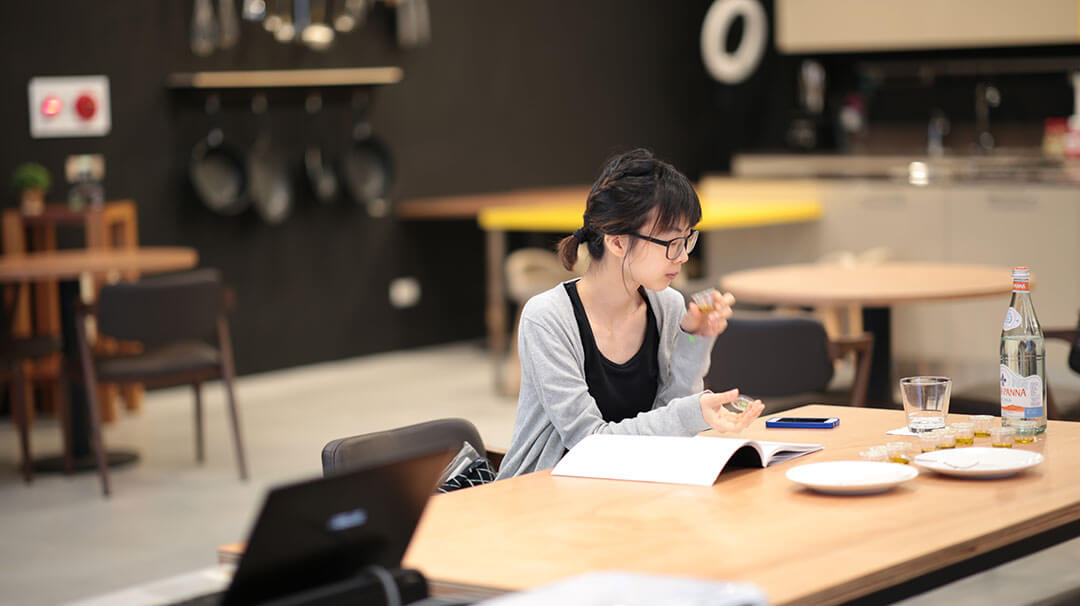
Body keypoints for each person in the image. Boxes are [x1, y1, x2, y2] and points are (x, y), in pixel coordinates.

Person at [496, 149, 764, 479]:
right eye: (671, 242)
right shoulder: (548, 318)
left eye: (687, 239)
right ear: (618, 243)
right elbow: (587, 442)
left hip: (634, 478)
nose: (682, 256)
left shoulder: (667, 306)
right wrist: (688, 414)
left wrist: (696, 338)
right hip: (547, 486)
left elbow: (668, 420)